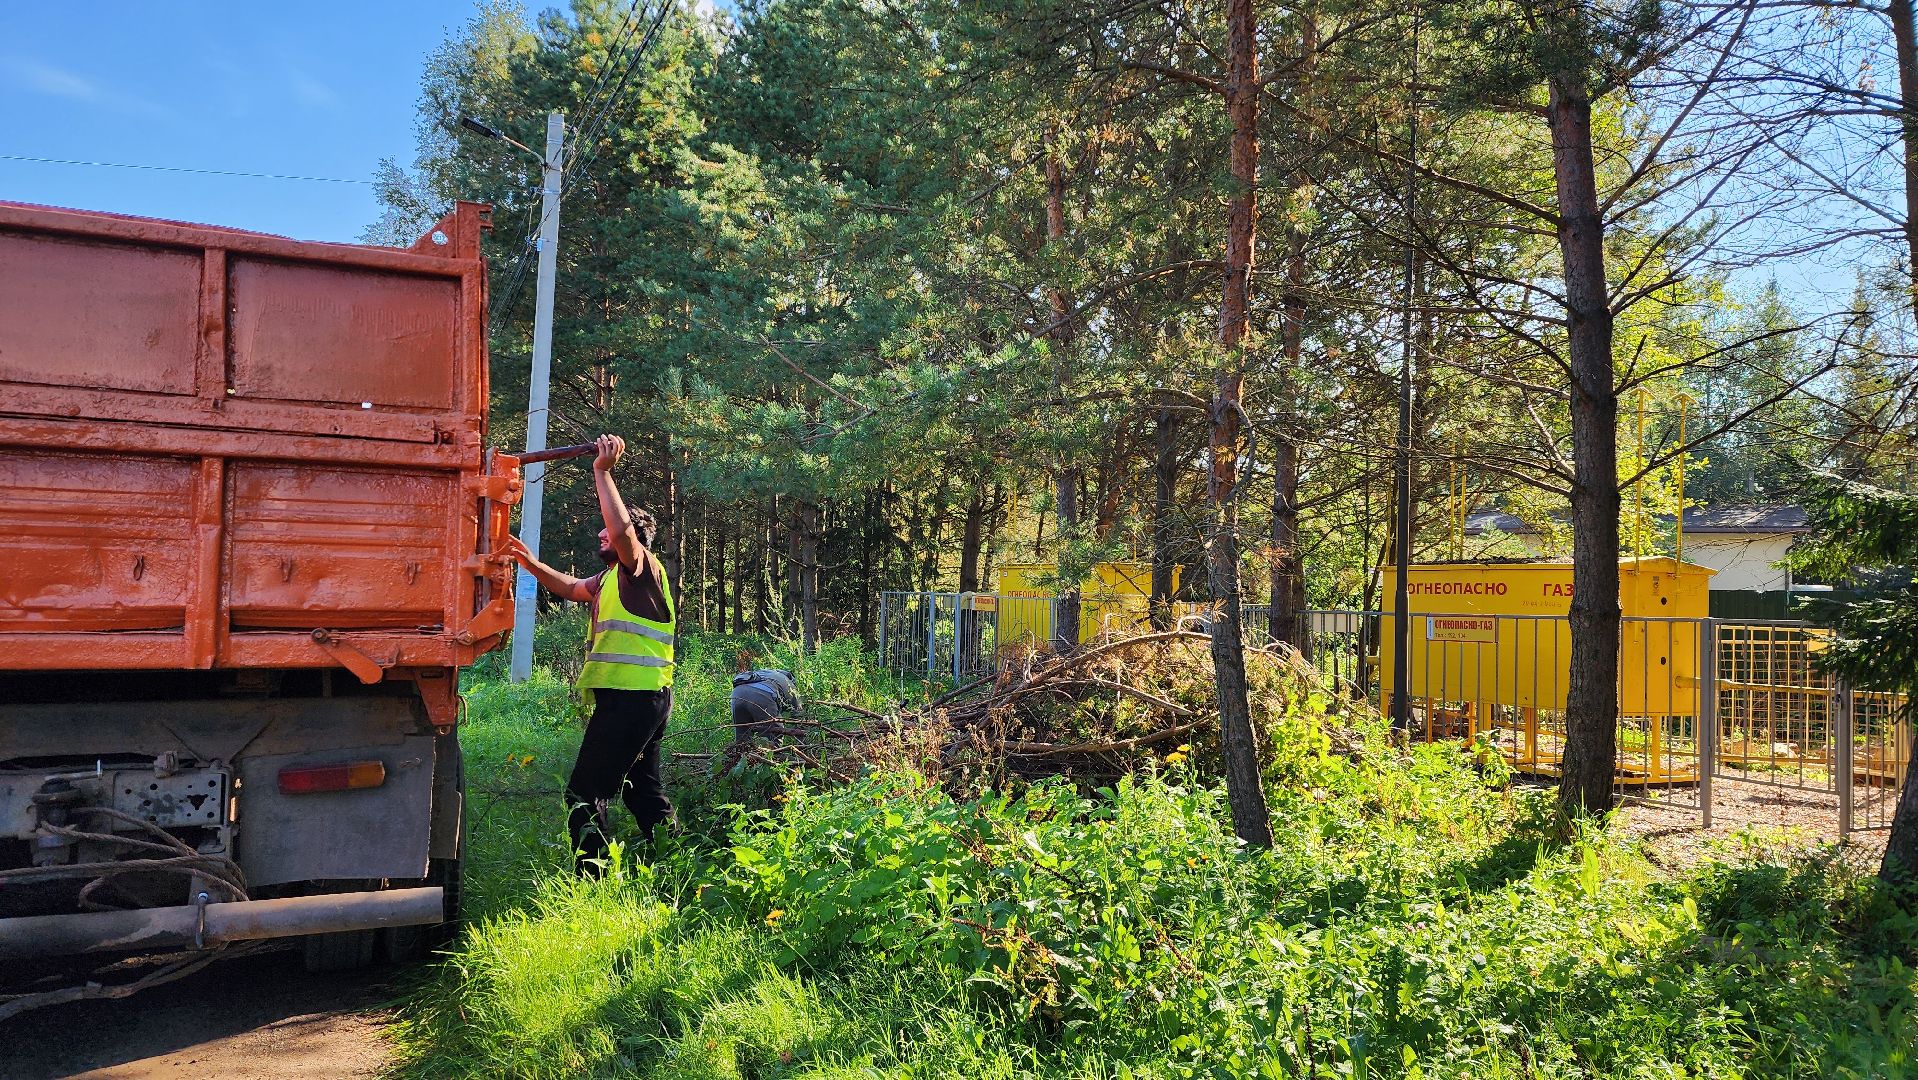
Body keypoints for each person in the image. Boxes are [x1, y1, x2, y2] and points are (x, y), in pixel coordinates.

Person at [502, 434, 675, 875]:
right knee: (640, 789)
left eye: (610, 528)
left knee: (582, 792)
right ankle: (677, 854)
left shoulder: (640, 568)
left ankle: (593, 878)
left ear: (633, 537)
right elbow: (567, 587)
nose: (601, 531)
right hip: (639, 697)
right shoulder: (609, 578)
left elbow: (619, 531)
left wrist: (602, 471)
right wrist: (526, 559)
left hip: (633, 699)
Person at [730, 663, 801, 742]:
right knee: (774, 734)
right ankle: (775, 753)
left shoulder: (766, 673)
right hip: (762, 694)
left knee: (742, 736)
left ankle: (741, 752)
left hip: (737, 694)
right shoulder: (790, 685)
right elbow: (799, 716)